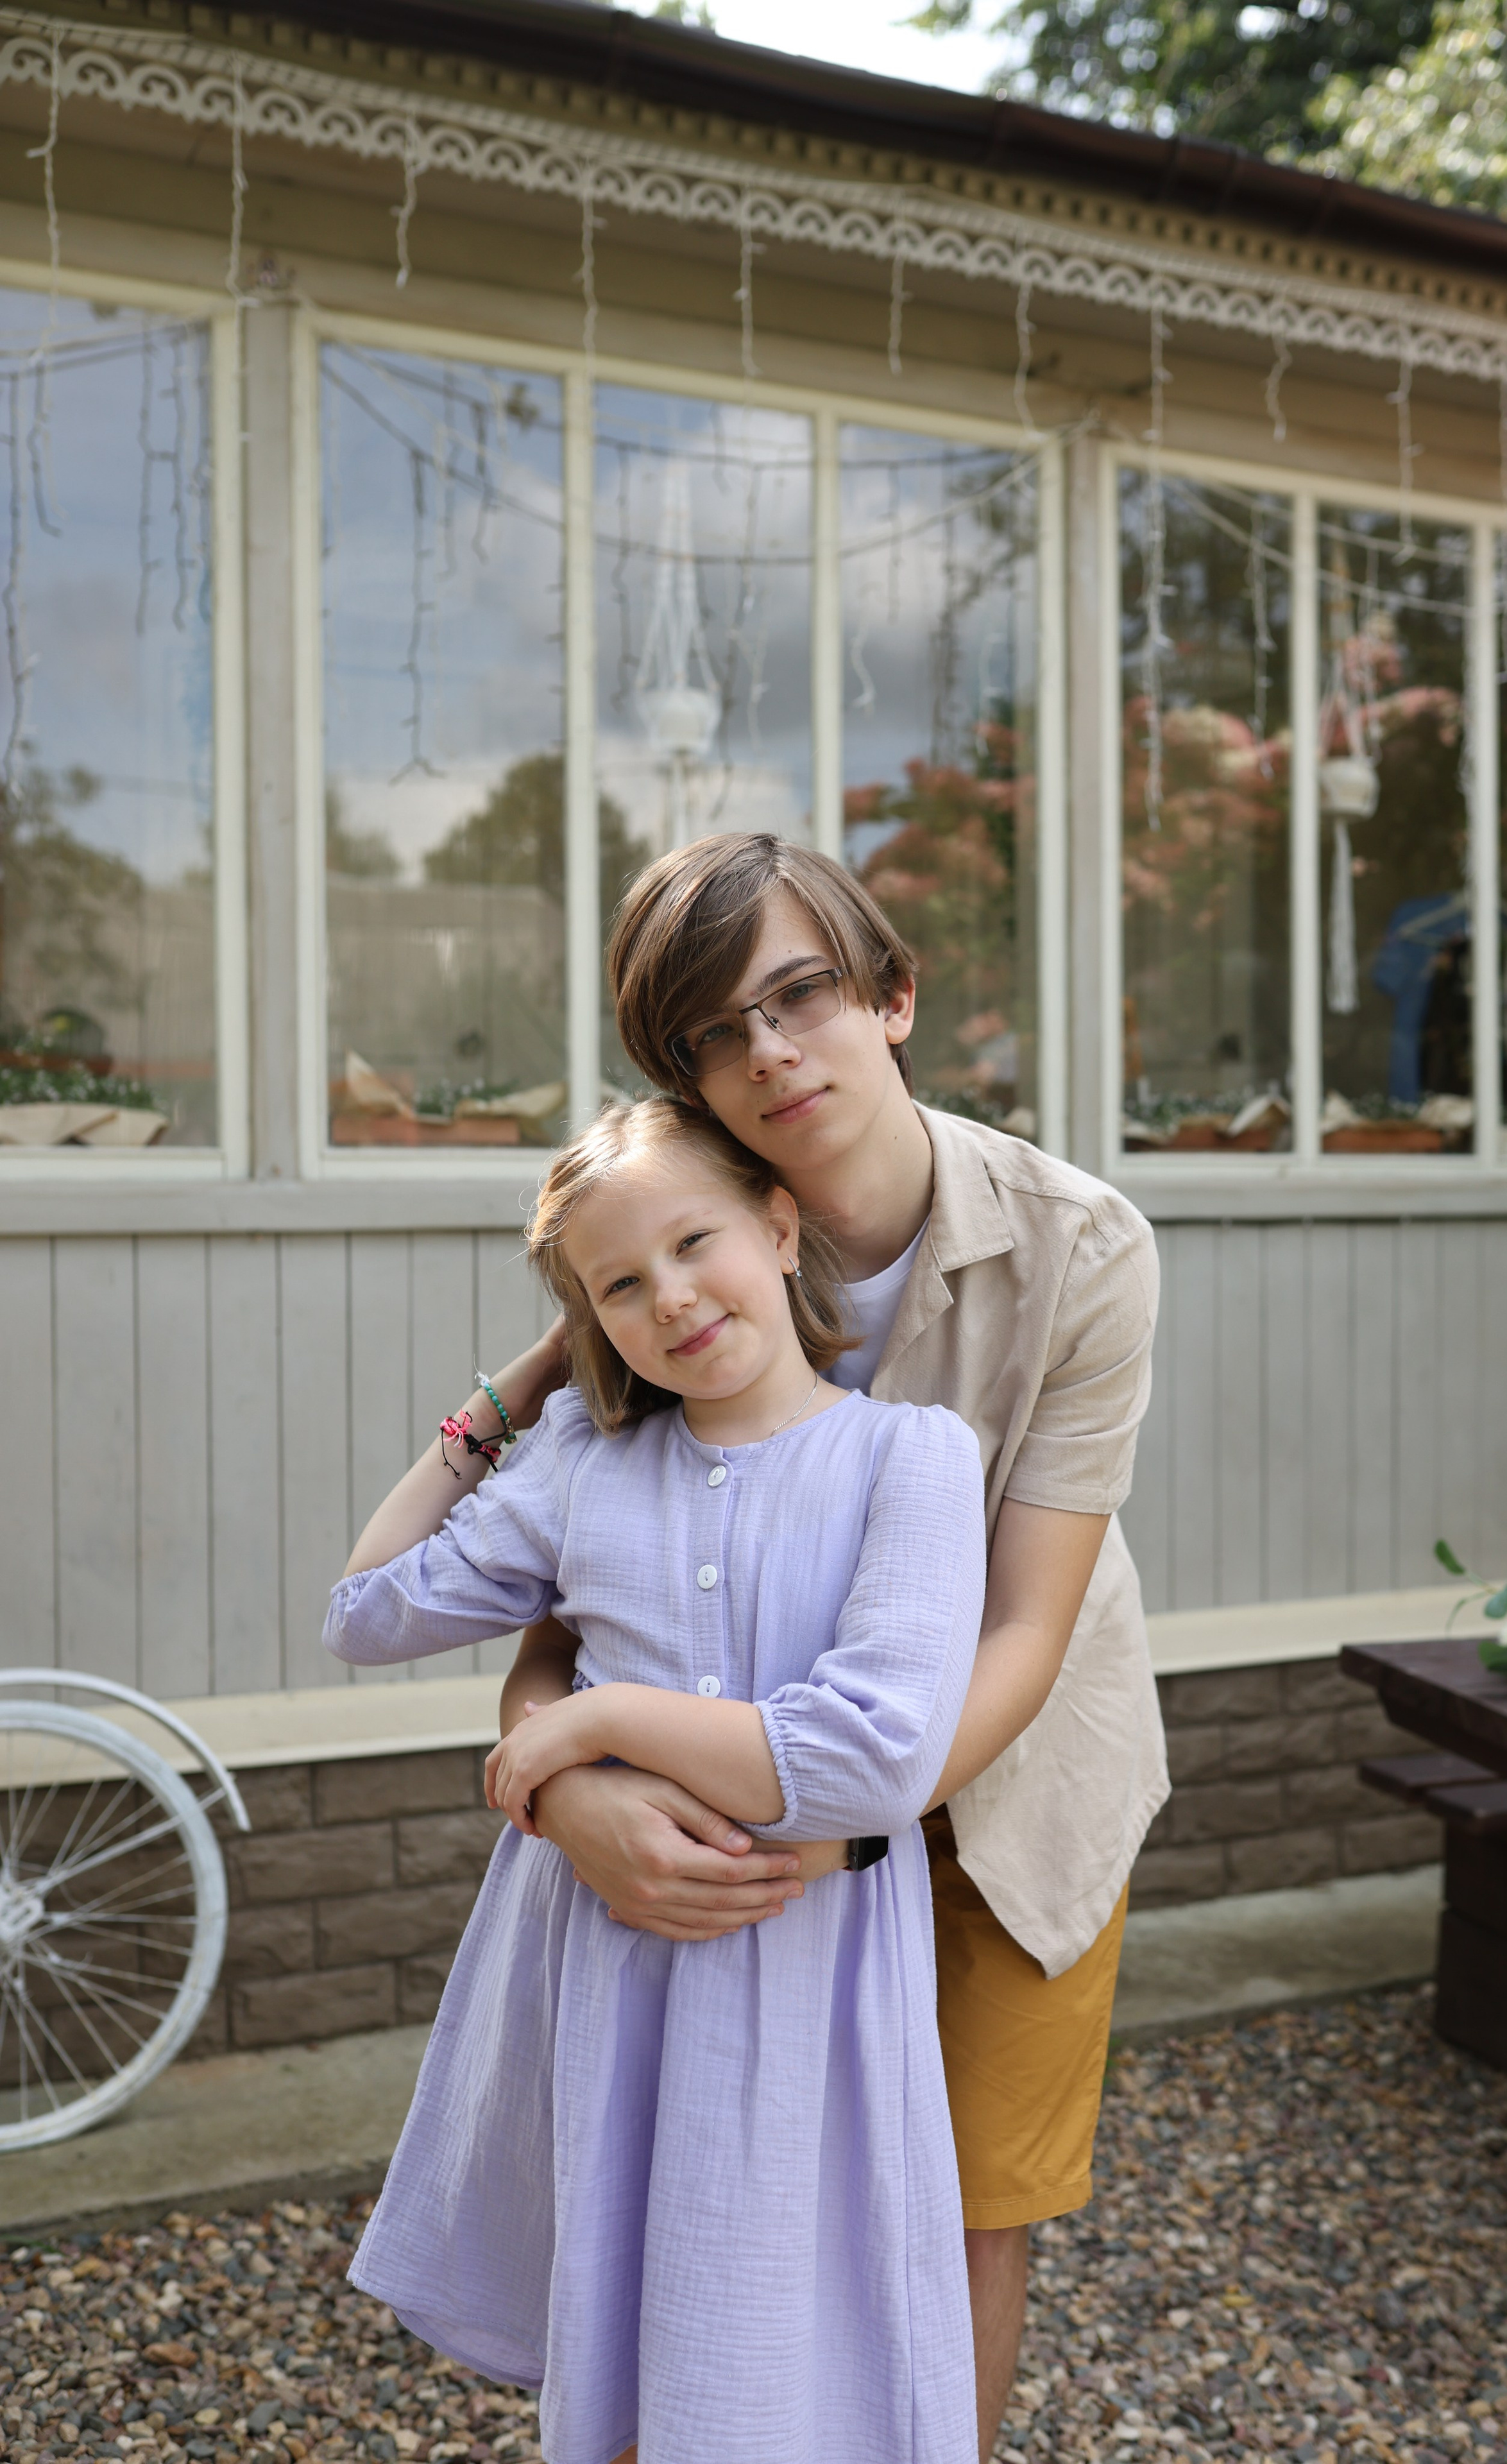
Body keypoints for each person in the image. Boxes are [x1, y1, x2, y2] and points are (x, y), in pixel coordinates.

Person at [500, 835, 1168, 2461]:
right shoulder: (671, 1251)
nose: (770, 1052)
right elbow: (552, 1602)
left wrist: (836, 1809)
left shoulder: (1084, 1248)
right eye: (715, 1035)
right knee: (699, 2209)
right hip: (722, 1796)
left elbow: (1026, 1620)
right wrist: (548, 1785)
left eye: (798, 995)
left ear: (891, 994)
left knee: (959, 2222)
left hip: (1009, 1791)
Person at [324, 1095, 988, 2464]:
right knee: (622, 2356)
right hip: (602, 1974)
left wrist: (593, 1719)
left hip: (802, 1981)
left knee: (777, 2361)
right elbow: (366, 1612)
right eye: (620, 1287)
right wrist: (518, 1388)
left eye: (696, 1243)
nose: (671, 1299)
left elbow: (870, 1756)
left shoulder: (904, 1460)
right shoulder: (582, 1464)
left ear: (777, 1221)